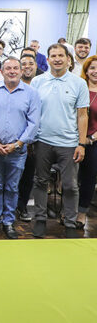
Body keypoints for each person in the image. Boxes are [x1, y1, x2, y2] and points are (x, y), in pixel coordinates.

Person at [30, 44, 89, 238]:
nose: (56, 59)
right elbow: (32, 112)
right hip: (42, 141)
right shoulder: (37, 82)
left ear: (68, 59)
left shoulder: (78, 83)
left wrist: (81, 143)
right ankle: (39, 219)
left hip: (69, 143)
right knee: (40, 181)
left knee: (71, 185)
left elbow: (82, 115)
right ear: (47, 60)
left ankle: (70, 223)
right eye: (53, 56)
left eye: (60, 56)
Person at [0, 57, 41, 239]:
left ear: (21, 70)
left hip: (18, 150)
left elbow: (34, 123)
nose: (12, 71)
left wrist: (18, 144)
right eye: (8, 68)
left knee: (12, 187)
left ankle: (8, 222)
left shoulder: (31, 93)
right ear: (2, 71)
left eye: (16, 68)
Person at [16, 53, 41, 221]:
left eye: (30, 63)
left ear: (36, 66)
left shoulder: (41, 85)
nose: (27, 66)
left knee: (28, 176)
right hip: (13, 140)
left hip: (34, 141)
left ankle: (22, 206)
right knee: (11, 177)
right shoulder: (12, 85)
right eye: (23, 64)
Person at [76, 55, 97, 230]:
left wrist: (93, 137)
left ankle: (81, 213)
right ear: (86, 70)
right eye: (92, 68)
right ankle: (68, 211)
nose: (95, 71)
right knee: (72, 179)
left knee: (88, 179)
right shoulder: (79, 87)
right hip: (75, 140)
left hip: (94, 142)